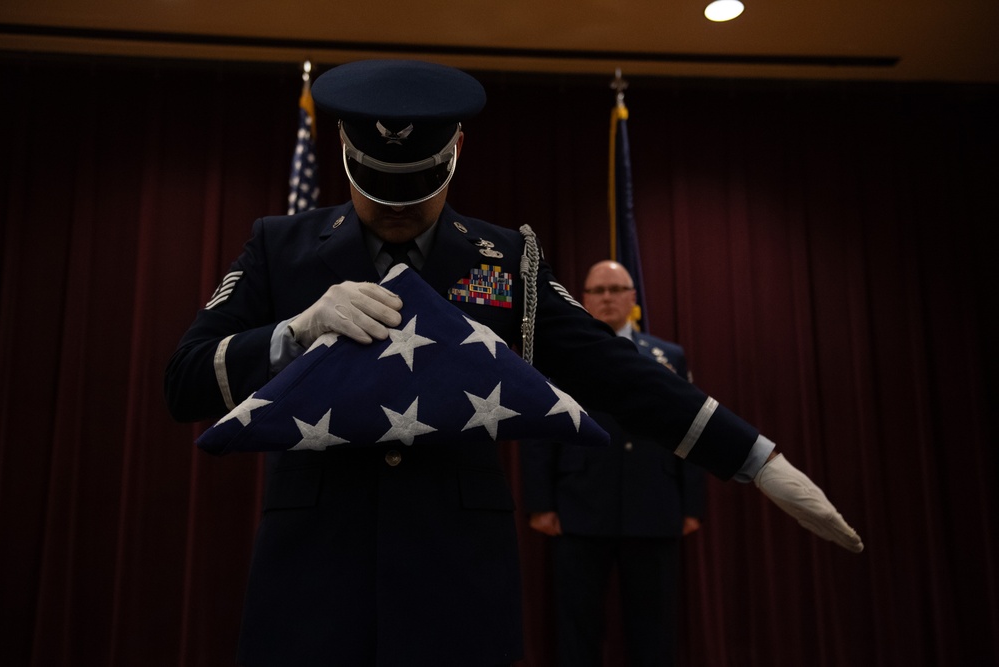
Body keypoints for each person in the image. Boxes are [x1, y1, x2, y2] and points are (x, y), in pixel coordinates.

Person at [164, 59, 863, 667]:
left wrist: (757, 458)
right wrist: (293, 329)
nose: (397, 212)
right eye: (378, 189)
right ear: (342, 149)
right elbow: (185, 378)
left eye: (415, 189)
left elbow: (613, 369)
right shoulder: (280, 247)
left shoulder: (503, 258)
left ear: (457, 148)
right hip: (314, 574)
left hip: (455, 577)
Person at [521, 260, 705, 667]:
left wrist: (691, 505)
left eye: (616, 289)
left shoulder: (668, 357)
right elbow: (540, 429)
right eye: (598, 291)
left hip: (654, 507)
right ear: (583, 299)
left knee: (654, 626)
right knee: (578, 625)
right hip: (579, 507)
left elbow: (689, 429)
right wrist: (541, 502)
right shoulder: (560, 356)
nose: (607, 298)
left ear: (633, 298)